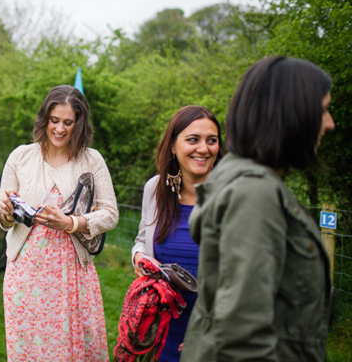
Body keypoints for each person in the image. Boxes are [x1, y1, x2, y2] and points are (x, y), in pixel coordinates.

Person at [181, 56, 335, 361]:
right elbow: (242, 337)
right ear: (292, 113)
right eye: (322, 110)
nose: (329, 123)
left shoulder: (240, 176)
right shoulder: (254, 193)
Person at [0, 85, 119, 361]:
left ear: (79, 123)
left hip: (71, 272)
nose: (60, 129)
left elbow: (110, 214)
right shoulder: (20, 157)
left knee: (71, 347)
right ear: (44, 119)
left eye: (68, 122)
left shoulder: (91, 159)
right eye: (54, 120)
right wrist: (5, 211)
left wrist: (71, 222)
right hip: (26, 273)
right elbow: (2, 215)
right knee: (30, 346)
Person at [131, 105, 223, 361]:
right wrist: (139, 257)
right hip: (160, 327)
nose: (203, 148)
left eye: (211, 140)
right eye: (193, 139)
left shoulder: (232, 195)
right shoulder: (155, 189)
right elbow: (142, 241)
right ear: (173, 146)